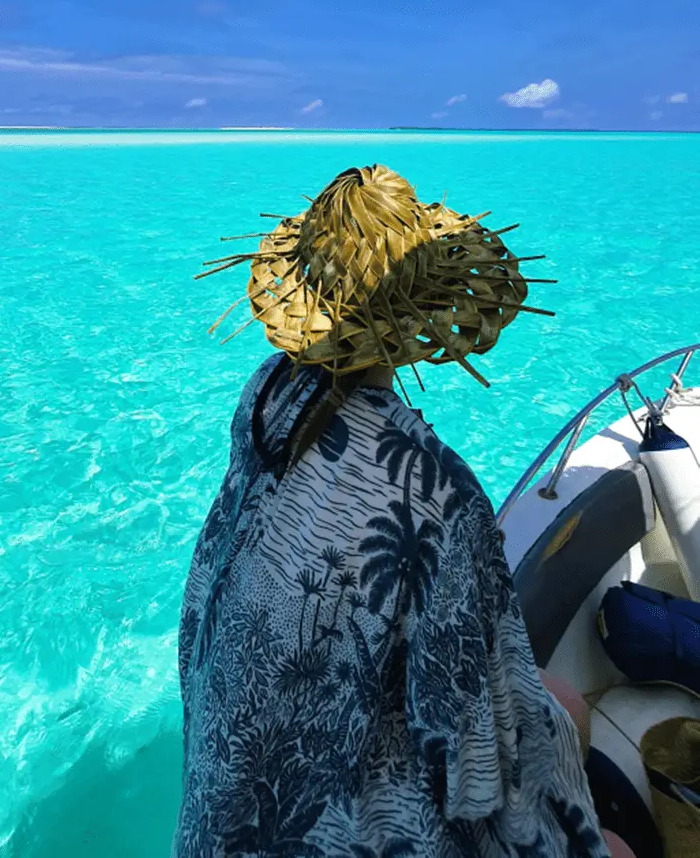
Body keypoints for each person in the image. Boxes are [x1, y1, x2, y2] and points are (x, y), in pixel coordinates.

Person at [172, 165, 614, 857]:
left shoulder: (266, 401)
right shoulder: (435, 490)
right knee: (582, 742)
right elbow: (476, 765)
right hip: (342, 831)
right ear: (421, 313)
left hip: (216, 817)